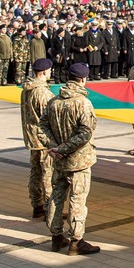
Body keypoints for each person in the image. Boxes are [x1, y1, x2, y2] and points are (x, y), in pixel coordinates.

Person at [42, 62, 101, 255]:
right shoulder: (83, 103)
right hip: (78, 160)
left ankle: (56, 236)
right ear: (83, 79)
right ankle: (77, 240)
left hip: (59, 160)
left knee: (56, 197)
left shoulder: (54, 101)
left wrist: (54, 147)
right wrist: (64, 148)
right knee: (78, 200)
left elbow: (41, 127)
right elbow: (85, 133)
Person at [21, 58, 55, 219]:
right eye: (49, 70)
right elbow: (47, 117)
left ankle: (37, 204)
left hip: (32, 137)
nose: (50, 73)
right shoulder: (42, 92)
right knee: (47, 174)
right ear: (43, 72)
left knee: (35, 172)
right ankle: (50, 207)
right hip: (43, 139)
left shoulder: (27, 88)